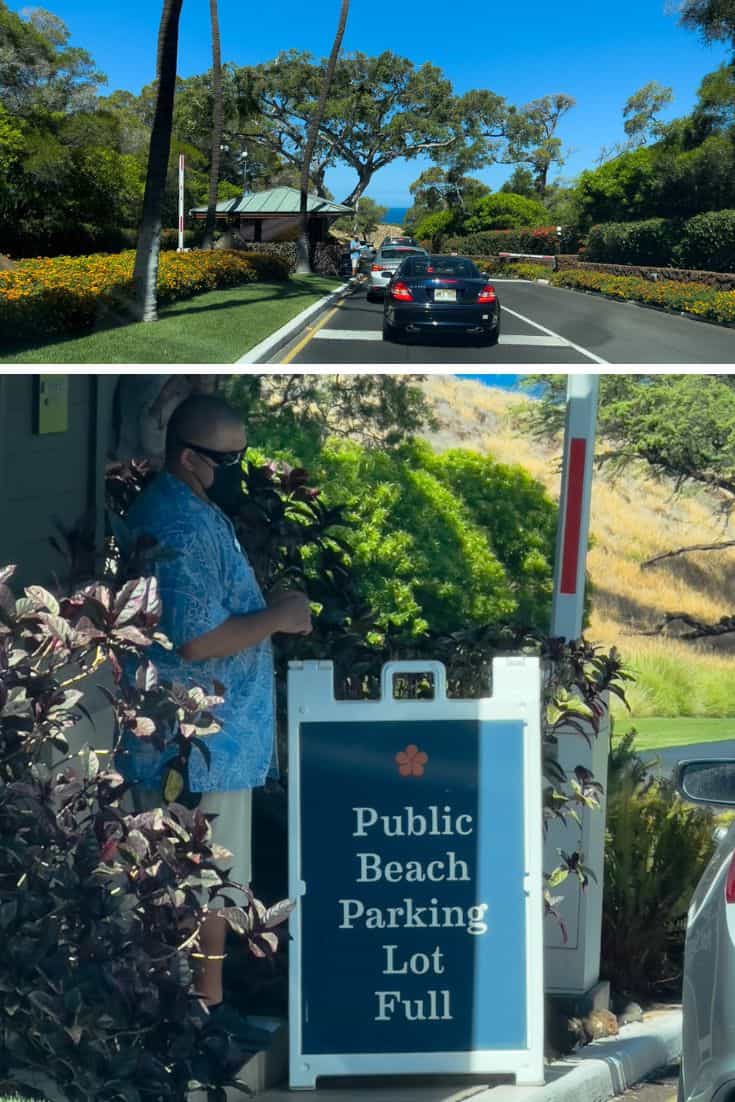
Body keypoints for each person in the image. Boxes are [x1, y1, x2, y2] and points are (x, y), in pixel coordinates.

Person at [120, 393, 312, 1011]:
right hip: (195, 745)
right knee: (204, 879)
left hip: (216, 743)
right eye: (226, 459)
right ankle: (199, 1013)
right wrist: (279, 616)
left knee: (212, 881)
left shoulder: (195, 509)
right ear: (186, 457)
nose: (237, 469)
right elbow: (196, 638)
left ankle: (201, 1004)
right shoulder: (177, 523)